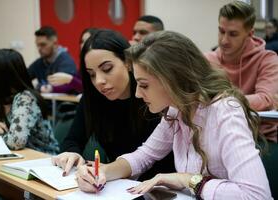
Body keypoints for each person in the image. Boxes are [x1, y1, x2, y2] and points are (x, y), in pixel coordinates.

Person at [76, 31, 272, 199]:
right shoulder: (177, 109)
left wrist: (188, 180)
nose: (137, 93)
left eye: (144, 85)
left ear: (173, 79)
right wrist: (103, 171)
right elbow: (144, 155)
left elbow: (256, 195)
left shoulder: (225, 112)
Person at [52, 30, 175, 180]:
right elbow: (72, 140)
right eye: (91, 74)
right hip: (120, 183)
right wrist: (73, 154)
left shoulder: (154, 98)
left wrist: (109, 172)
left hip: (160, 185)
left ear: (128, 63)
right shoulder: (93, 98)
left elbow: (151, 157)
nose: (99, 81)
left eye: (107, 69)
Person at [205, 1, 278, 142]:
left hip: (260, 138)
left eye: (233, 34)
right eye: (221, 31)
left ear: (250, 34)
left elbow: (265, 100)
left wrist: (218, 100)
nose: (224, 40)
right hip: (218, 137)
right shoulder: (209, 59)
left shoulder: (267, 59)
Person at [0, 49, 59, 154]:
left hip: (44, 159)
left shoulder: (25, 99)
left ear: (0, 78)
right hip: (19, 159)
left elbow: (16, 142)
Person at [28, 26, 79, 94]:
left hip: (63, 103)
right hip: (46, 102)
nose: (39, 49)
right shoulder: (40, 62)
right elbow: (24, 76)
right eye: (37, 45)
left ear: (55, 44)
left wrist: (38, 86)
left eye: (43, 45)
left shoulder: (66, 62)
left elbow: (64, 87)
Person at [46, 28, 99, 93]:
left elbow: (90, 88)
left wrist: (70, 79)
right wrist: (51, 88)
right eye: (82, 41)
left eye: (87, 41)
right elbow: (71, 86)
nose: (83, 44)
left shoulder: (98, 61)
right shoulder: (84, 62)